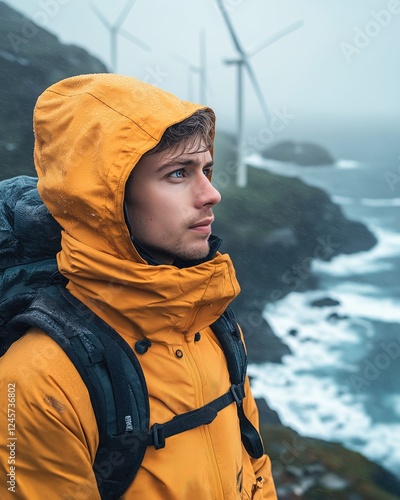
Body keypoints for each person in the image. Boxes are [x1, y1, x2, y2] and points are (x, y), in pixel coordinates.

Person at [0, 73, 277, 499]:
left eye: (206, 169)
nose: (211, 194)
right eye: (177, 174)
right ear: (107, 198)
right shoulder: (37, 380)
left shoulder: (212, 319)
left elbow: (254, 464)